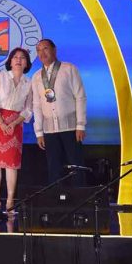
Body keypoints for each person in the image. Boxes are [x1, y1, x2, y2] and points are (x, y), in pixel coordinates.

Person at [0, 48, 33, 211]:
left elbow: (28, 109)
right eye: (15, 57)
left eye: (22, 58)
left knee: (12, 164)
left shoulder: (29, 83)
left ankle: (10, 201)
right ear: (9, 61)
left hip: (15, 124)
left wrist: (14, 123)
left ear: (27, 63)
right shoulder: (0, 77)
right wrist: (2, 123)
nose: (18, 60)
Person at [31, 39, 87, 186]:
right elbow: (36, 104)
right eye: (39, 50)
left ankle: (80, 199)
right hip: (49, 130)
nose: (42, 53)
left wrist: (80, 125)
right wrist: (39, 132)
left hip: (71, 128)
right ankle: (56, 202)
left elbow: (80, 96)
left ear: (54, 50)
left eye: (45, 48)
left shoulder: (69, 69)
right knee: (54, 168)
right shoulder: (36, 76)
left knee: (76, 166)